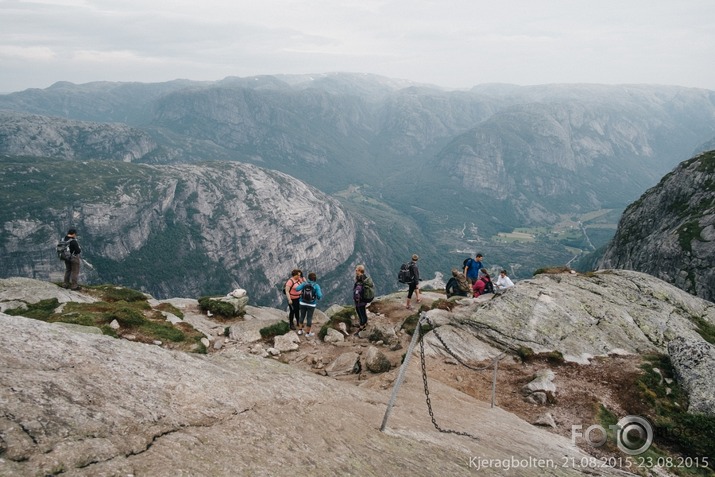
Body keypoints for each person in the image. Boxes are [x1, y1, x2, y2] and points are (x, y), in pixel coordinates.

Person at [295, 272, 323, 337]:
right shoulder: (316, 286)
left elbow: (297, 289)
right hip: (311, 304)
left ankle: (300, 330)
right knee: (309, 318)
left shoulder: (304, 284)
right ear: (315, 279)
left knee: (302, 316)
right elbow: (319, 295)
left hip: (302, 302)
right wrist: (318, 297)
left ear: (308, 278)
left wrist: (302, 284)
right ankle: (308, 333)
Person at [353, 265, 374, 331]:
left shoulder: (361, 279)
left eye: (356, 270)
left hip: (361, 300)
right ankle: (363, 323)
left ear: (359, 271)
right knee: (360, 311)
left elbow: (359, 290)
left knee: (362, 313)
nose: (355, 271)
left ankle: (362, 327)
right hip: (360, 300)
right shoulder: (363, 278)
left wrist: (357, 297)